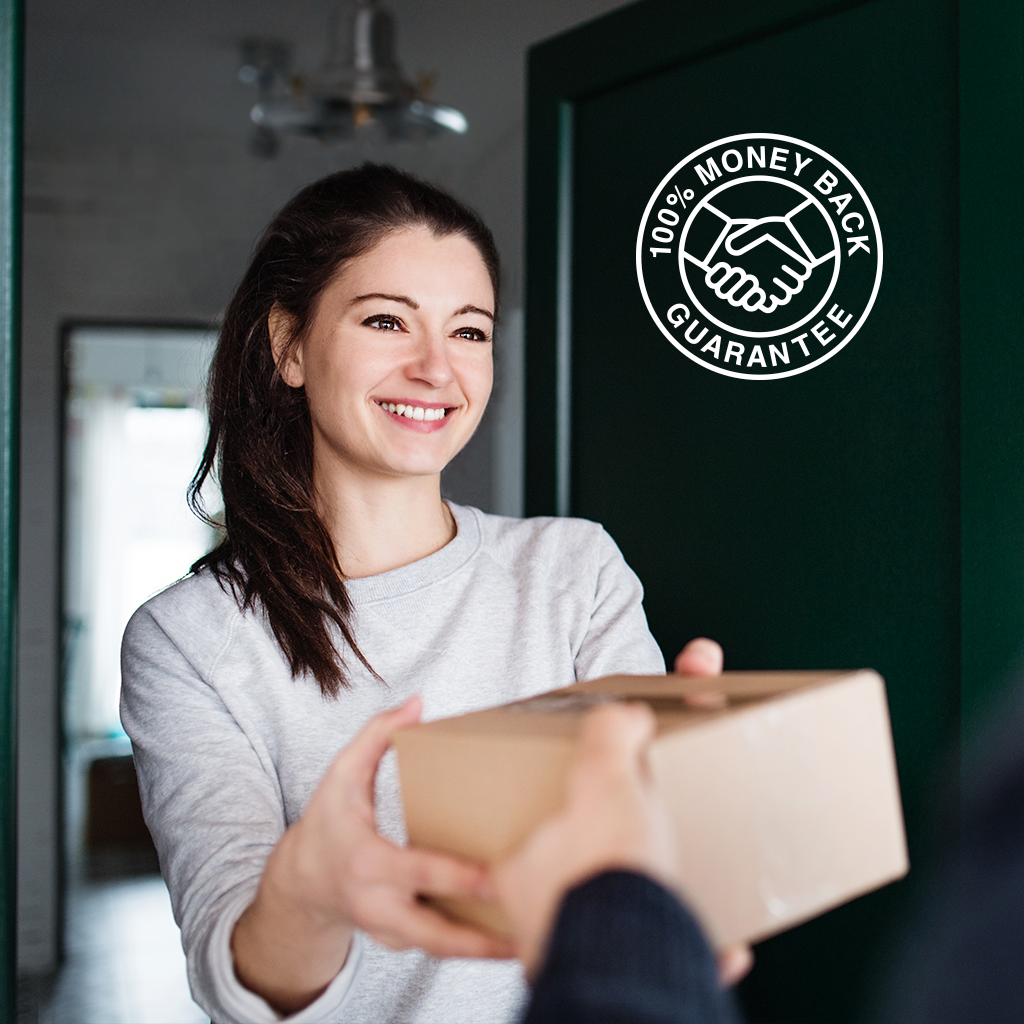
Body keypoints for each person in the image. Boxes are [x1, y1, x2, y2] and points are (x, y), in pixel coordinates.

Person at [119, 163, 717, 1024]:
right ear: (288, 346)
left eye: (470, 333)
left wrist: (702, 799)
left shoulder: (573, 571)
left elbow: (658, 858)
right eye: (387, 320)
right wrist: (313, 893)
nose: (437, 368)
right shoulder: (188, 639)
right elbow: (240, 979)